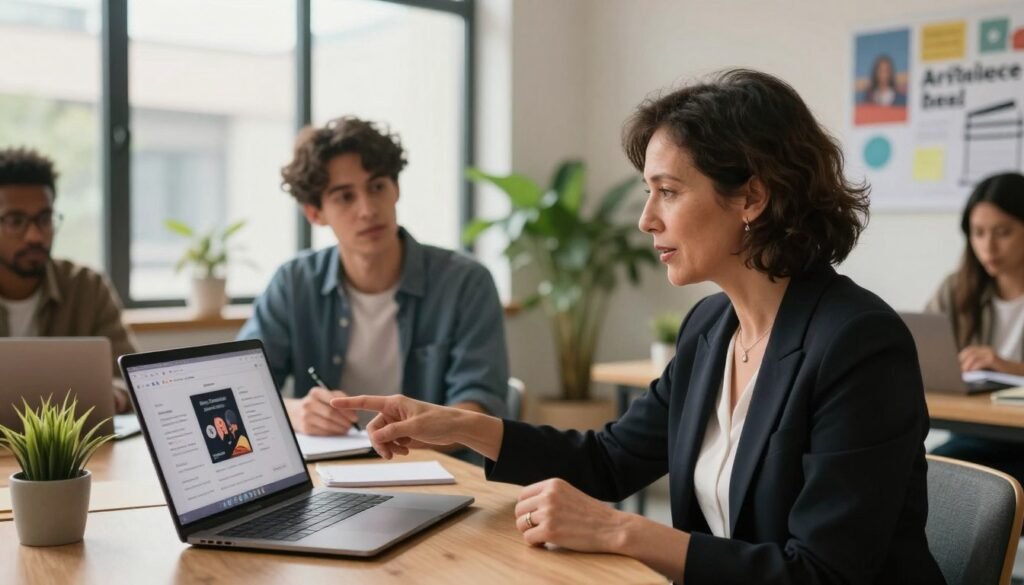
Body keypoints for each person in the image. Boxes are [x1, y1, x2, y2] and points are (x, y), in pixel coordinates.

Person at [330, 70, 944, 584]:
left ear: (751, 198)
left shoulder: (857, 344)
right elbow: (610, 460)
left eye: (668, 192)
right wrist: (462, 426)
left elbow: (822, 574)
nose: (647, 219)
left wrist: (621, 530)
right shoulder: (711, 328)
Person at [238, 117, 509, 437]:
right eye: (345, 196)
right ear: (315, 213)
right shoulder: (293, 283)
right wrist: (296, 412)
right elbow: (242, 389)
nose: (367, 209)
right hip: (331, 471)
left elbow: (479, 405)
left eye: (377, 187)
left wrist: (408, 436)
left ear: (396, 189)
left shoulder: (466, 283)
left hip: (438, 469)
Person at [0, 147, 138, 413]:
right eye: (16, 221)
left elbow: (132, 378)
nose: (35, 236)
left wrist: (115, 396)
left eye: (44, 219)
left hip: (74, 451)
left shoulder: (87, 286)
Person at [926, 172, 1024, 485]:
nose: (988, 246)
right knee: (921, 470)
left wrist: (1007, 367)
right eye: (978, 233)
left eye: (1003, 232)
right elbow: (919, 350)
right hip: (976, 433)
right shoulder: (957, 289)